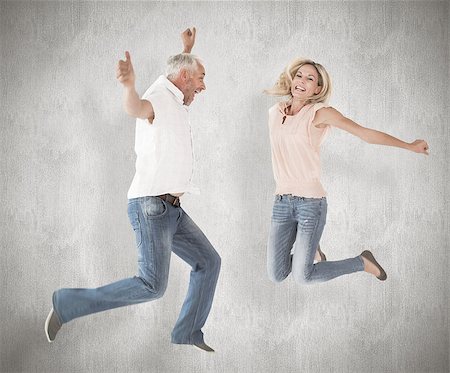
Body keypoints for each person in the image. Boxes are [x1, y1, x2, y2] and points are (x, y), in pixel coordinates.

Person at [45, 28, 221, 352]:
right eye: (200, 78)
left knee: (209, 261)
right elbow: (136, 107)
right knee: (152, 286)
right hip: (152, 208)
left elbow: (175, 77)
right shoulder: (157, 98)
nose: (203, 86)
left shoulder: (173, 95)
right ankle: (68, 303)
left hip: (172, 209)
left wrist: (187, 48)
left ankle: (186, 331)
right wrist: (128, 87)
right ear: (184, 76)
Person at [265, 58, 428, 284]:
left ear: (318, 88)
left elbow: (364, 134)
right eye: (299, 75)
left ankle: (361, 261)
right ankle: (313, 250)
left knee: (303, 276)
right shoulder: (275, 112)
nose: (302, 81)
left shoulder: (319, 113)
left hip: (310, 204)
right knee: (276, 274)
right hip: (281, 202)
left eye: (310, 78)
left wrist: (409, 145)